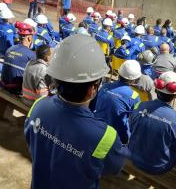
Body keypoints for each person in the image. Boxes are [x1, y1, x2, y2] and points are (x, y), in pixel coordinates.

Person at [24, 35, 128, 188]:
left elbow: (30, 139)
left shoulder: (39, 106)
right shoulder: (105, 136)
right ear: (92, 89)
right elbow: (113, 168)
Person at [129, 71, 176, 174]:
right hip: (159, 167)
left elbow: (131, 127)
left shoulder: (139, 106)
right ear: (175, 96)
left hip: (133, 157)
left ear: (156, 89)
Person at [94, 60, 141, 144]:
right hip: (117, 136)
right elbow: (135, 119)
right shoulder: (133, 96)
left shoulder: (105, 86)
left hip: (97, 127)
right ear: (133, 80)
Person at [1, 22, 36, 95]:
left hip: (3, 84)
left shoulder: (10, 49)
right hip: (16, 89)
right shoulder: (31, 55)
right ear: (29, 37)